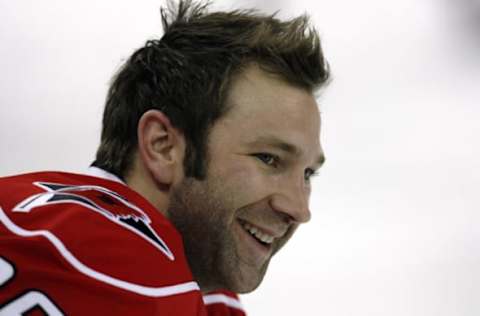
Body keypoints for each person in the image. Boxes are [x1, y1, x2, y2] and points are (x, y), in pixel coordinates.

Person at [0, 0, 330, 315]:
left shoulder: (205, 294)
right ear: (163, 146)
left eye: (307, 174)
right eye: (268, 159)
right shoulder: (130, 276)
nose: (299, 210)